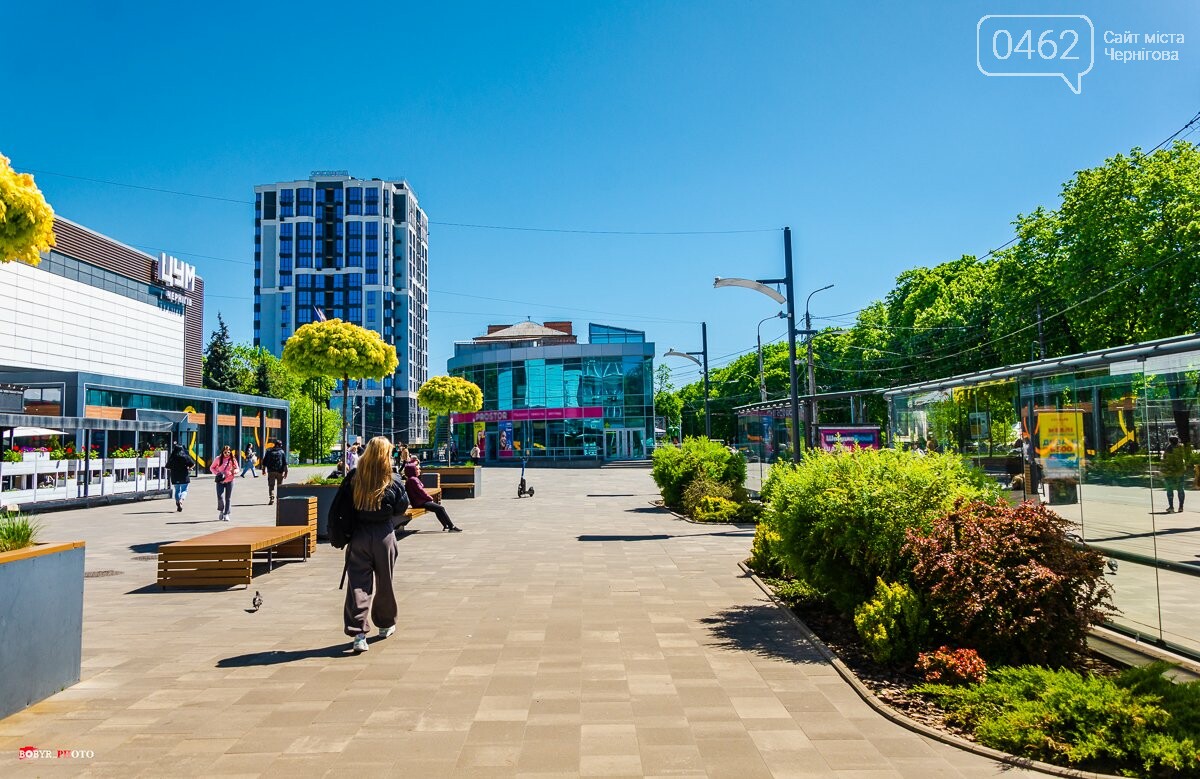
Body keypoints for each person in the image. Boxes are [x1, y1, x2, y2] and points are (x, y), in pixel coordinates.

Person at [334, 436, 409, 653]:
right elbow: (401, 507)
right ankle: (385, 624)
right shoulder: (392, 479)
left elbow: (342, 506)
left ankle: (358, 633)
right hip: (384, 534)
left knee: (358, 585)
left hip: (359, 535)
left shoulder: (354, 477)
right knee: (385, 582)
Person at [405, 460, 461, 532]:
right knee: (440, 508)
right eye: (417, 469)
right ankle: (451, 527)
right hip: (420, 503)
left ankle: (446, 526)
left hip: (418, 502)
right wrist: (430, 498)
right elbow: (421, 492)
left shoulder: (411, 479)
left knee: (438, 509)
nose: (419, 470)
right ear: (413, 471)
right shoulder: (413, 480)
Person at [209, 445, 239, 521]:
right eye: (225, 452)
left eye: (228, 452)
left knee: (228, 498)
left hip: (230, 480)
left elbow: (237, 468)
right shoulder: (218, 459)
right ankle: (221, 511)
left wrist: (234, 471)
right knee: (220, 496)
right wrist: (217, 473)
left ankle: (226, 514)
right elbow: (211, 468)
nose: (227, 454)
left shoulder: (233, 459)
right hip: (220, 481)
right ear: (222, 452)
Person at [166, 443, 195, 512]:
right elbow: (193, 464)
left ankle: (177, 501)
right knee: (184, 490)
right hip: (184, 476)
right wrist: (189, 468)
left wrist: (173, 468)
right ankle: (181, 501)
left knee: (177, 490)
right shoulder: (185, 457)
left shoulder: (172, 458)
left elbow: (167, 467)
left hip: (175, 476)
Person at [1162, 434, 1188, 513]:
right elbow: (1185, 458)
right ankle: (1181, 507)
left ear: (1169, 441)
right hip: (1180, 472)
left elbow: (1164, 459)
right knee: (1180, 489)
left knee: (1169, 489)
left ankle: (1171, 507)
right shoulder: (1181, 448)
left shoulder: (1168, 448)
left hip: (1169, 472)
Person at [262, 439, 289, 505]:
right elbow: (285, 463)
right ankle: (279, 499)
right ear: (280, 445)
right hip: (280, 471)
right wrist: (286, 472)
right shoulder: (281, 452)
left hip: (271, 471)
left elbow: (264, 462)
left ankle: (272, 498)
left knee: (271, 485)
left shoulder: (269, 451)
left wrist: (263, 470)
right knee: (279, 486)